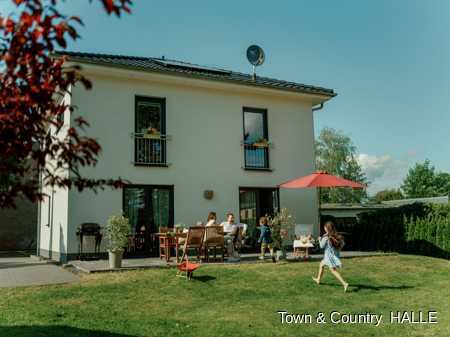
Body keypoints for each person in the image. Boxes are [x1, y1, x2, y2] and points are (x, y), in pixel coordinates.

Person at [312, 221, 349, 292]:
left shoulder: (326, 237)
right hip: (333, 255)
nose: (324, 228)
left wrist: (320, 240)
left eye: (325, 227)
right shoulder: (336, 235)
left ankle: (344, 283)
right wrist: (337, 250)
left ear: (327, 228)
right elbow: (343, 244)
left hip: (329, 257)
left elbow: (321, 246)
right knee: (321, 265)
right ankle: (318, 280)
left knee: (333, 270)